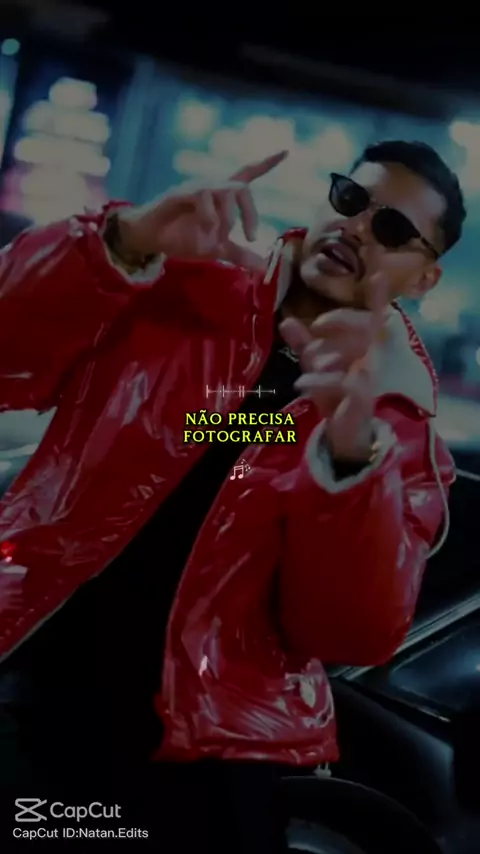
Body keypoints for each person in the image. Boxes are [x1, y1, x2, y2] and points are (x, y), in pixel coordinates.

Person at [0, 140, 464, 851]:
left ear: (424, 277)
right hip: (36, 678)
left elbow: (347, 634)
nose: (357, 228)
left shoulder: (397, 436)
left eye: (393, 228)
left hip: (207, 756)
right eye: (350, 200)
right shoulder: (181, 287)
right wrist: (122, 241)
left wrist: (349, 460)